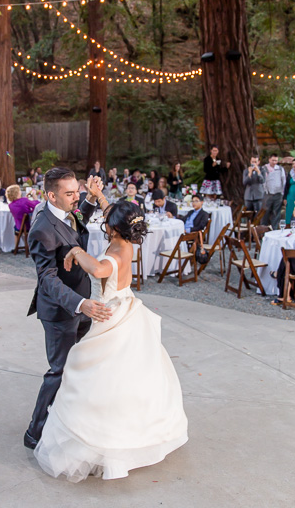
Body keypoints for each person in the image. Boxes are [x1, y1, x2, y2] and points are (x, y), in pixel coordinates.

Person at [33, 200, 188, 482]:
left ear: (116, 227)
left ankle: (102, 437)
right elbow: (112, 214)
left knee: (98, 371)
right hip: (128, 303)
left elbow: (99, 270)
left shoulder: (116, 248)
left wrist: (76, 250)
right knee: (127, 373)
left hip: (113, 310)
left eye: (109, 222)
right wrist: (100, 198)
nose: (105, 225)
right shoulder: (127, 239)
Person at [24, 169, 109, 451]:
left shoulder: (66, 210)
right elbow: (46, 279)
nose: (77, 198)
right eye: (70, 193)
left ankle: (70, 418)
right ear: (51, 195)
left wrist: (92, 200)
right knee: (59, 370)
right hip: (61, 311)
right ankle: (34, 430)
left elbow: (78, 220)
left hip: (83, 304)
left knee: (80, 365)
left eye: (78, 191)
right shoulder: (41, 229)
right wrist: (79, 303)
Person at [261, 154, 286, 229]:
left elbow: (283, 180)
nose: (274, 162)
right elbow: (263, 181)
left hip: (278, 194)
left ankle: (274, 230)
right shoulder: (264, 168)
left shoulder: (280, 168)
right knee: (265, 213)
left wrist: (282, 192)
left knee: (276, 214)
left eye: (276, 160)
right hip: (268, 194)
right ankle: (263, 230)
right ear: (269, 159)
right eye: (273, 160)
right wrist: (265, 191)